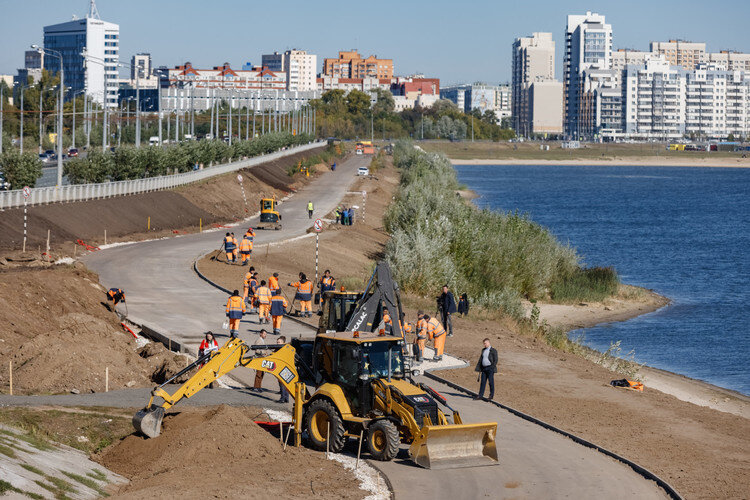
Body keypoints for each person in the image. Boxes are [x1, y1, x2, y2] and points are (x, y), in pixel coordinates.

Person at [276, 336, 290, 402]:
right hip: (284, 368)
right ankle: (286, 398)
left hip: (283, 369)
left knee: (282, 384)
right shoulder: (286, 348)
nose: (277, 343)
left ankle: (282, 398)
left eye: (279, 342)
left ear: (283, 342)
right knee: (285, 384)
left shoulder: (282, 349)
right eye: (277, 342)